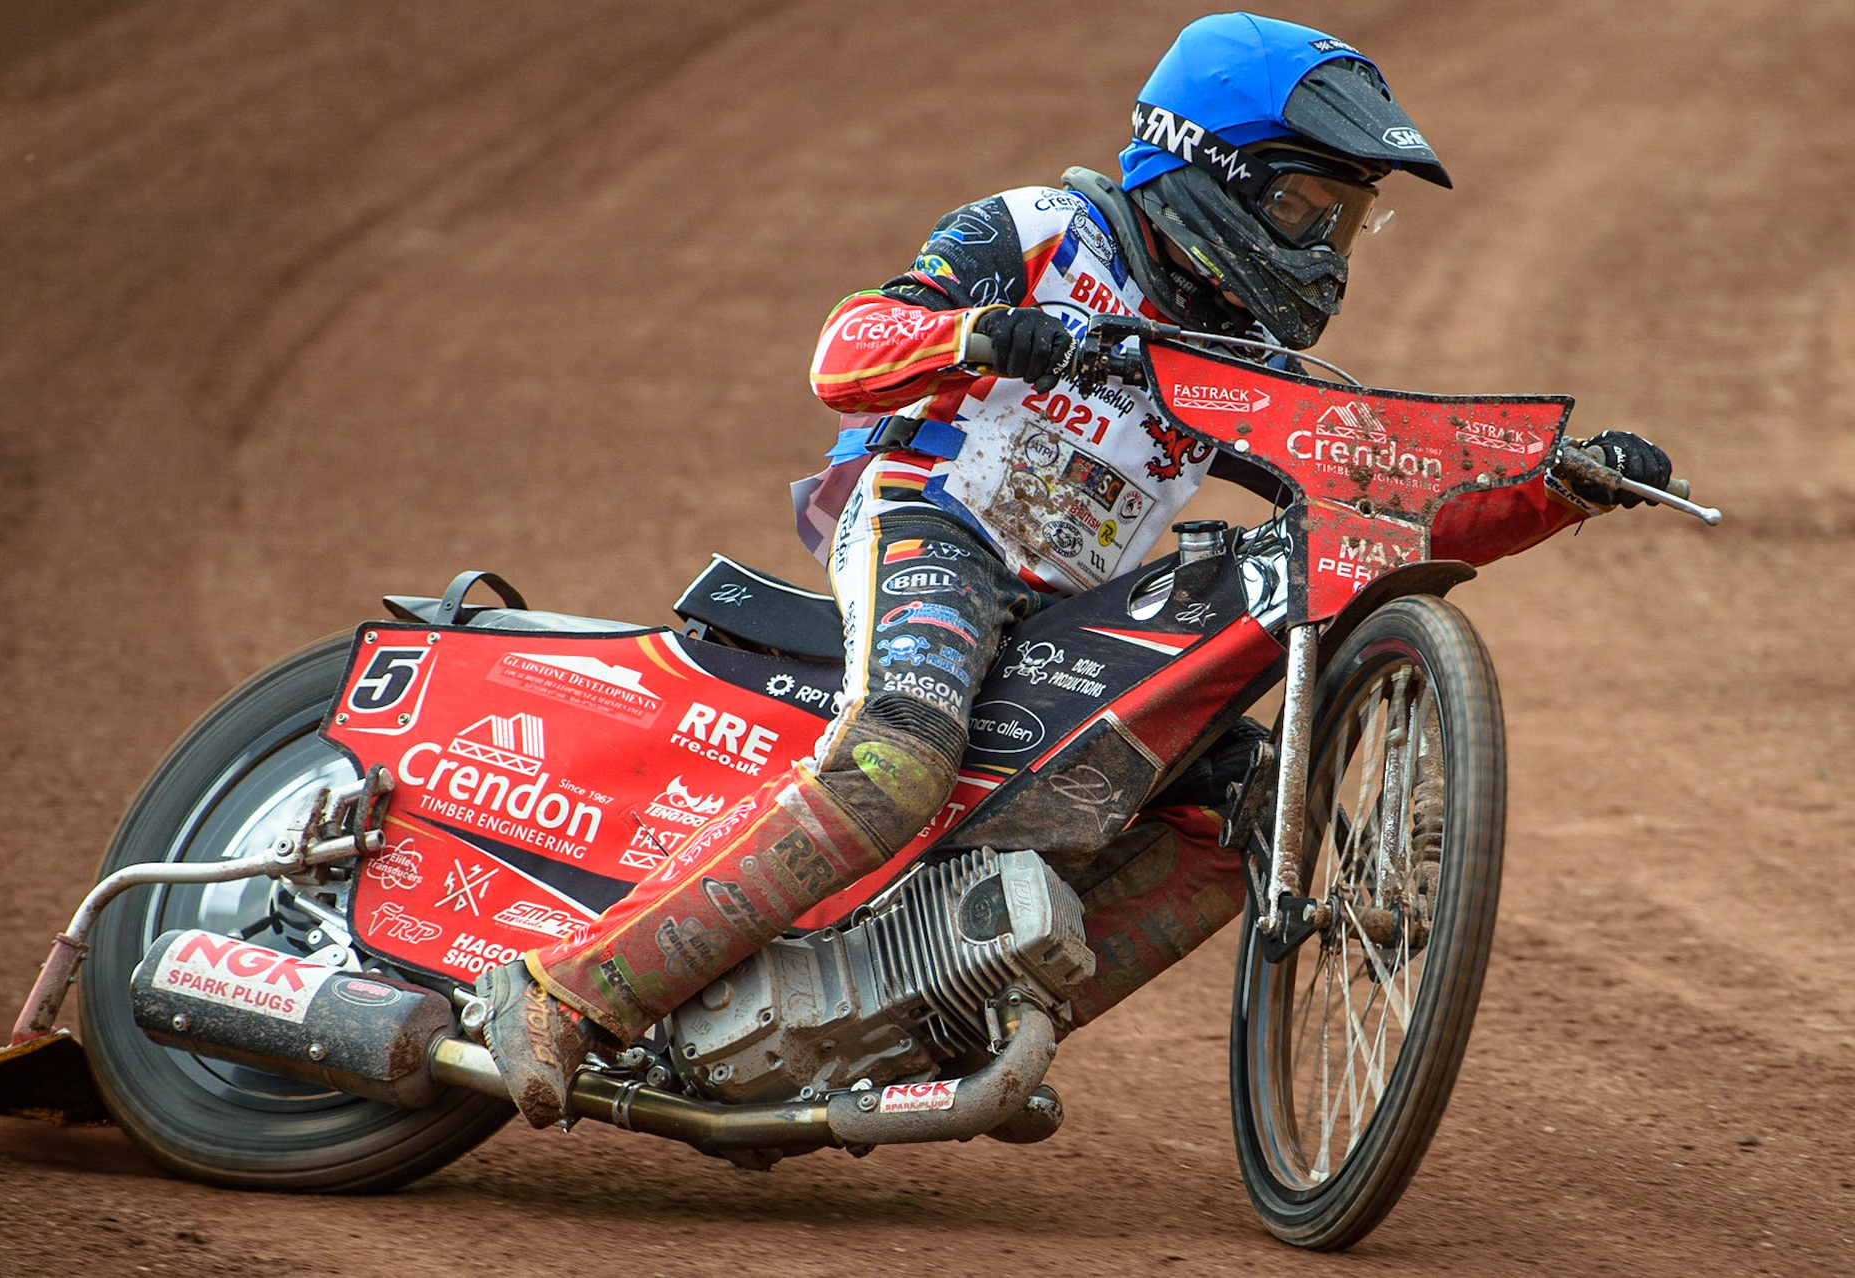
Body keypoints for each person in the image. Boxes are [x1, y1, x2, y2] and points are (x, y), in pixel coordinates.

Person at [476, 12, 1673, 1127]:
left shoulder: (1236, 354)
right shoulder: (1046, 232)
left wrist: (1556, 486)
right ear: (1213, 169)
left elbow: (1380, 494)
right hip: (933, 518)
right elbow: (844, 350)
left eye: (1348, 224)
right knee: (897, 761)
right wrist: (985, 334)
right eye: (1311, 210)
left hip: (1066, 598)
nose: (1329, 251)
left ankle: (936, 1034)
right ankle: (570, 990)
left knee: (1257, 816)